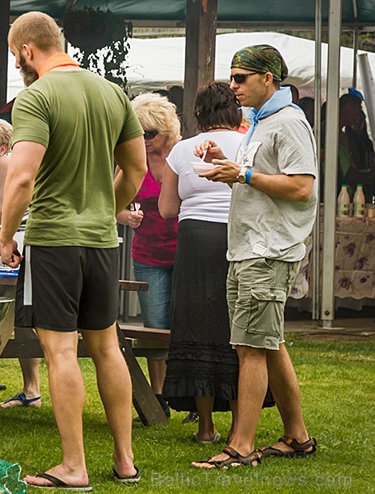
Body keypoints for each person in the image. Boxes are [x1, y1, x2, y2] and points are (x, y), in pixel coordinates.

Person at [0, 12, 146, 488]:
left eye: (12, 54)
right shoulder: (111, 92)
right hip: (102, 240)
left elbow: (21, 176)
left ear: (26, 50)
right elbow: (138, 170)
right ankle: (125, 461)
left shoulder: (36, 96)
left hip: (54, 238)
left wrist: (6, 235)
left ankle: (74, 466)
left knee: (60, 351)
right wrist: (106, 212)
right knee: (107, 348)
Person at [191, 44, 317, 469]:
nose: (232, 86)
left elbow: (302, 187)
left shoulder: (289, 122)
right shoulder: (260, 123)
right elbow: (258, 184)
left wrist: (242, 173)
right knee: (269, 341)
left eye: (240, 78)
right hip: (249, 246)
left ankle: (241, 447)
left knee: (250, 347)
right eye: (232, 77)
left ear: (268, 79)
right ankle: (297, 436)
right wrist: (227, 165)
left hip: (267, 249)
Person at [158, 82, 244, 444]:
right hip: (236, 236)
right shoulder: (247, 144)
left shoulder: (180, 150)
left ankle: (206, 427)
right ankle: (241, 427)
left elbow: (167, 208)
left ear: (198, 114)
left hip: (193, 241)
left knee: (196, 327)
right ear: (235, 112)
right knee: (237, 329)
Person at [117, 92, 181, 419]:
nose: (144, 140)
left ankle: (190, 392)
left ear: (167, 130)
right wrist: (125, 216)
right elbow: (112, 204)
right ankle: (160, 395)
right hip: (148, 254)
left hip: (185, 251)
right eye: (139, 133)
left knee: (185, 322)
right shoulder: (133, 159)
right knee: (155, 325)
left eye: (150, 133)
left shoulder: (182, 155)